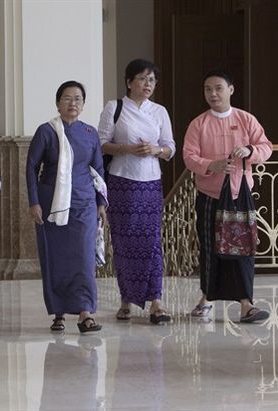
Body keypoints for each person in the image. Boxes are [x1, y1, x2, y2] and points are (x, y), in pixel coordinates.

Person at [182, 69, 272, 323]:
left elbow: (265, 147)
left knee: (243, 248)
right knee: (210, 246)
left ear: (230, 90)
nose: (213, 93)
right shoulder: (198, 123)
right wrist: (212, 165)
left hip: (239, 194)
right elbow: (189, 157)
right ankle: (206, 299)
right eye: (208, 89)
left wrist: (250, 150)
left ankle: (246, 305)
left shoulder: (246, 119)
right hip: (209, 195)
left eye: (218, 88)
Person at [97, 58, 176, 324]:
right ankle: (126, 299)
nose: (147, 84)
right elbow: (102, 144)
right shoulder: (115, 107)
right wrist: (129, 149)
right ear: (129, 81)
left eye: (152, 80)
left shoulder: (159, 111)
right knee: (124, 241)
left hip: (151, 182)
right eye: (142, 79)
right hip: (122, 181)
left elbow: (170, 147)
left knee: (152, 241)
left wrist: (156, 150)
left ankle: (156, 302)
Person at [26, 81, 106, 334]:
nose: (73, 103)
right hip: (52, 205)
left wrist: (101, 202)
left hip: (84, 203)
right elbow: (30, 168)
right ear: (58, 102)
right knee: (56, 259)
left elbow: (98, 170)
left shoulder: (90, 133)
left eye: (78, 99)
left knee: (83, 258)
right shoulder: (46, 132)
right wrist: (34, 202)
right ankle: (59, 312)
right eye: (67, 98)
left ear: (83, 104)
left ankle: (85, 313)